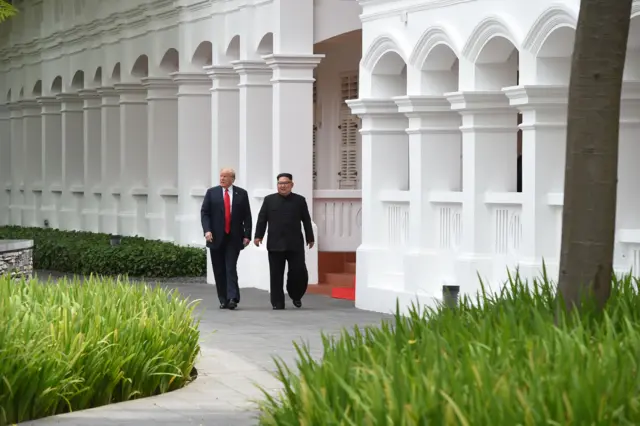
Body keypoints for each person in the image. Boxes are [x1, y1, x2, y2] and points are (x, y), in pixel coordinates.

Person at [254, 173, 314, 310]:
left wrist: (310, 238)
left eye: (285, 183)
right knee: (276, 275)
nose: (283, 186)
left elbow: (306, 220)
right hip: (275, 244)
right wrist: (258, 236)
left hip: (295, 244)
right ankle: (277, 302)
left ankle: (296, 295)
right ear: (277, 185)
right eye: (280, 183)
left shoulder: (300, 200)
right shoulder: (269, 200)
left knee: (298, 272)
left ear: (291, 185)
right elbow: (262, 218)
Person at [200, 168, 252, 310]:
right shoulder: (212, 193)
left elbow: (247, 215)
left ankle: (232, 298)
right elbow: (205, 213)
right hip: (215, 237)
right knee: (219, 269)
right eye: (221, 176)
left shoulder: (241, 194)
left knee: (230, 267)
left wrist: (247, 235)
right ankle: (223, 299)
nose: (222, 179)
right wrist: (207, 230)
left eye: (225, 176)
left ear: (232, 179)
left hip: (234, 237)